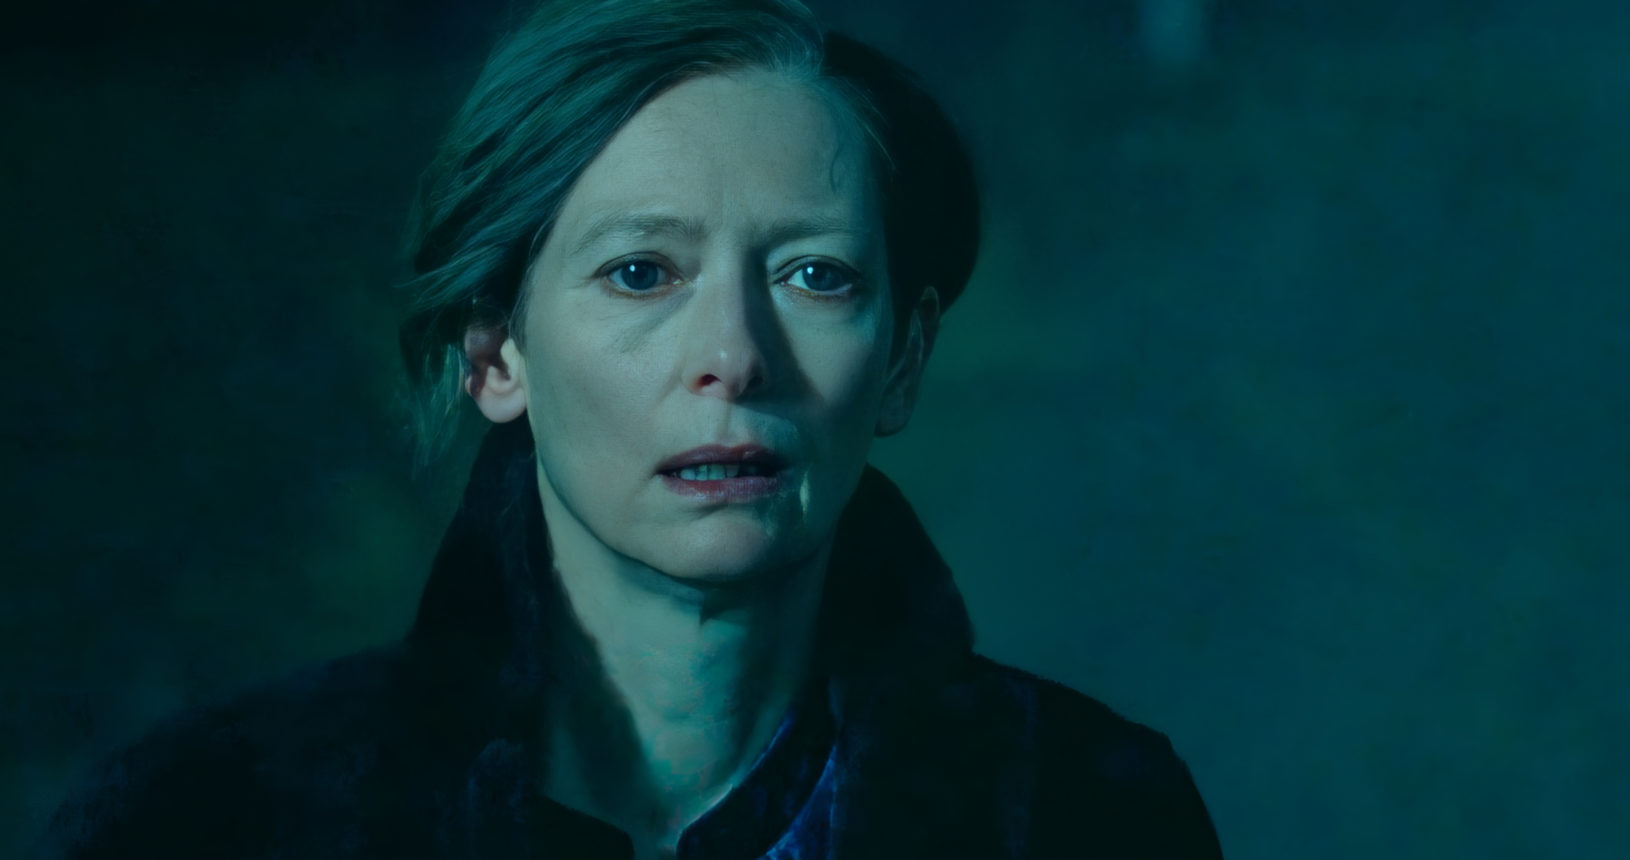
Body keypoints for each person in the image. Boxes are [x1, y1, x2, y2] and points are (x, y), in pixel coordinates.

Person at [38, 0, 1224, 857]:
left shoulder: (1088, 810)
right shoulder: (205, 818)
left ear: (903, 360)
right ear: (495, 352)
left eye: (814, 275)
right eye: (642, 271)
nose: (735, 354)